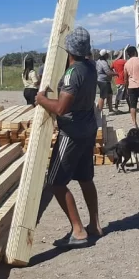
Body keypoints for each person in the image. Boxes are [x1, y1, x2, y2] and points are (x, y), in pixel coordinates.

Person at [36, 26, 101, 248]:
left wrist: (42, 99)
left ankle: (78, 230)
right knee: (85, 178)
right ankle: (94, 224)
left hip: (72, 132)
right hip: (89, 129)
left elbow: (62, 108)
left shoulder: (73, 74)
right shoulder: (91, 67)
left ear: (68, 50)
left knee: (55, 182)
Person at [95, 49, 116, 114]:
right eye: (107, 54)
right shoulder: (103, 62)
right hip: (103, 81)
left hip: (103, 80)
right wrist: (115, 73)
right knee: (103, 96)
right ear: (105, 55)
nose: (109, 55)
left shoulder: (98, 61)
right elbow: (108, 72)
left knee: (110, 94)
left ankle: (110, 109)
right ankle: (99, 111)